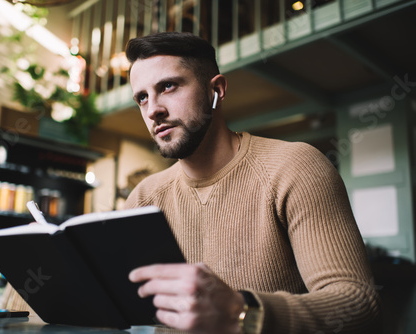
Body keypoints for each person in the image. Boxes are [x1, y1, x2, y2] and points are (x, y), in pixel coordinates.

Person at [124, 31, 381, 334]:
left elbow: (358, 303)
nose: (153, 110)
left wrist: (243, 314)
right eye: (142, 97)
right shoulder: (142, 198)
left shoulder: (295, 167)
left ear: (215, 90)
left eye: (168, 86)